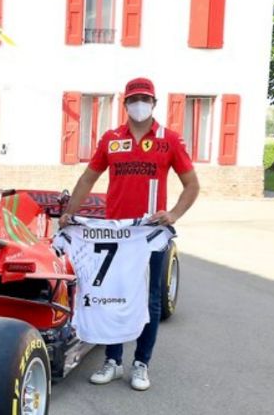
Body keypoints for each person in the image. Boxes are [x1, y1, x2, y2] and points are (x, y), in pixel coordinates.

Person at [58, 77, 200, 391]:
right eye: (134, 99)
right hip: (115, 234)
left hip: (149, 234)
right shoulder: (111, 139)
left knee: (149, 302)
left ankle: (141, 364)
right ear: (125, 104)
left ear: (154, 103)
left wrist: (173, 215)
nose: (139, 104)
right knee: (113, 295)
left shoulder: (169, 140)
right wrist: (69, 211)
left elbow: (192, 185)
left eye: (145, 99)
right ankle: (112, 360)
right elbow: (87, 179)